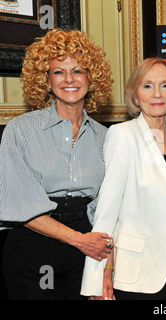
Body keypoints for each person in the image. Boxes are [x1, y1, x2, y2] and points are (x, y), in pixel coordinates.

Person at [0, 29, 114, 299]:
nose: (69, 79)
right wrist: (79, 240)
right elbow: (18, 204)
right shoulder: (20, 131)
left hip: (88, 249)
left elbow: (111, 206)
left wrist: (106, 265)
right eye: (59, 72)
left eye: (78, 70)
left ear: (91, 78)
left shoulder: (106, 137)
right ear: (46, 80)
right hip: (35, 248)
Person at [80, 58, 166, 300]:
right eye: (147, 86)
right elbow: (108, 208)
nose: (157, 93)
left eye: (165, 85)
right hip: (139, 273)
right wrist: (97, 277)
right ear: (135, 96)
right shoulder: (123, 135)